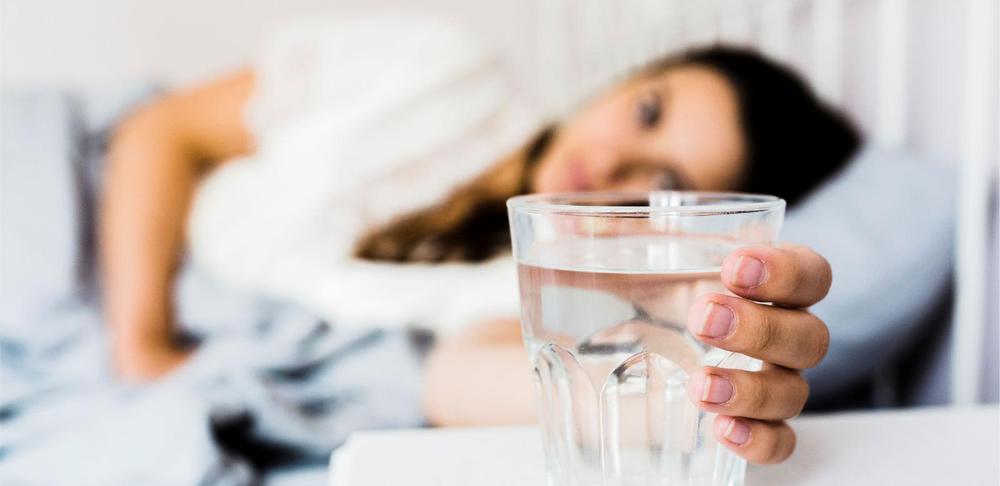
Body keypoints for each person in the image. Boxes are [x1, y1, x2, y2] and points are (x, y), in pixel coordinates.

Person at [101, 16, 857, 465]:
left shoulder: (542, 279)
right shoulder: (436, 68)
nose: (613, 163)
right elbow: (163, 131)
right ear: (633, 77)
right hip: (118, 218)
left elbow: (461, 378)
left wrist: (696, 400)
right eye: (648, 111)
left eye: (663, 184)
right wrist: (140, 340)